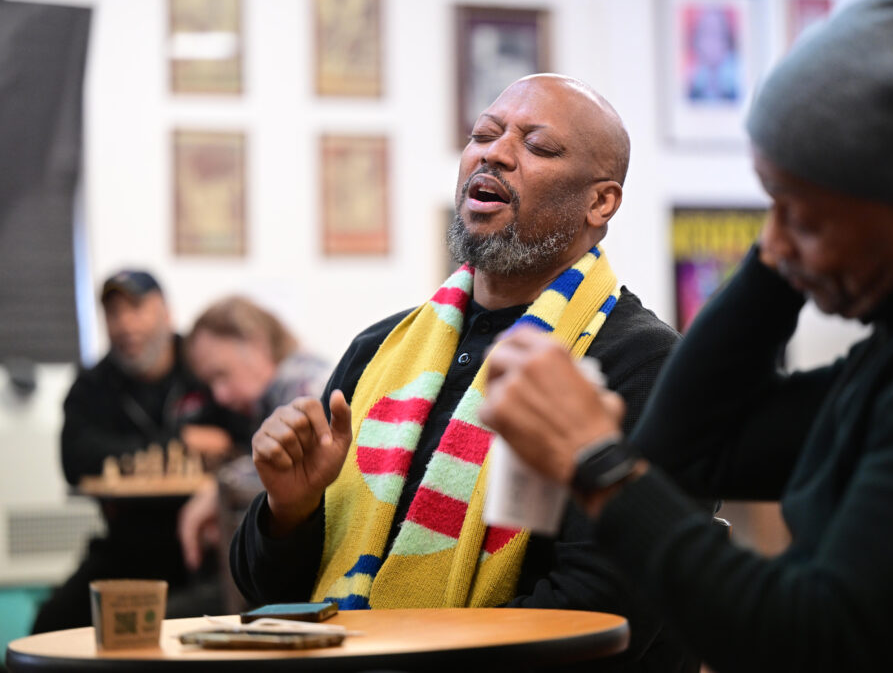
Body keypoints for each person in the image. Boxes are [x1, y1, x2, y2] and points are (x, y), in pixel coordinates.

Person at [480, 0, 893, 672]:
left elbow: (811, 638)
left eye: (803, 216)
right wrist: (778, 265)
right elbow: (692, 452)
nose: (772, 245)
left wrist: (597, 462)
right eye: (772, 206)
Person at [230, 74, 687, 670]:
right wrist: (290, 510)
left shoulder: (640, 362)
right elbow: (267, 596)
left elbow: (608, 609)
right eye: (483, 134)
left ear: (600, 202)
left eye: (538, 147)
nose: (494, 153)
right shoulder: (380, 350)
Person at [33, 270, 250, 633]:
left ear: (166, 313)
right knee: (50, 625)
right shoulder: (93, 384)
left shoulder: (201, 364)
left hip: (203, 546)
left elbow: (245, 436)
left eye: (136, 308)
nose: (125, 324)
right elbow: (75, 458)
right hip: (127, 544)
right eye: (113, 313)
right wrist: (178, 442)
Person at [177, 296, 332, 607]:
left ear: (254, 343)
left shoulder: (301, 385)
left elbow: (298, 467)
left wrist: (218, 488)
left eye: (221, 375)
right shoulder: (287, 386)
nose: (219, 395)